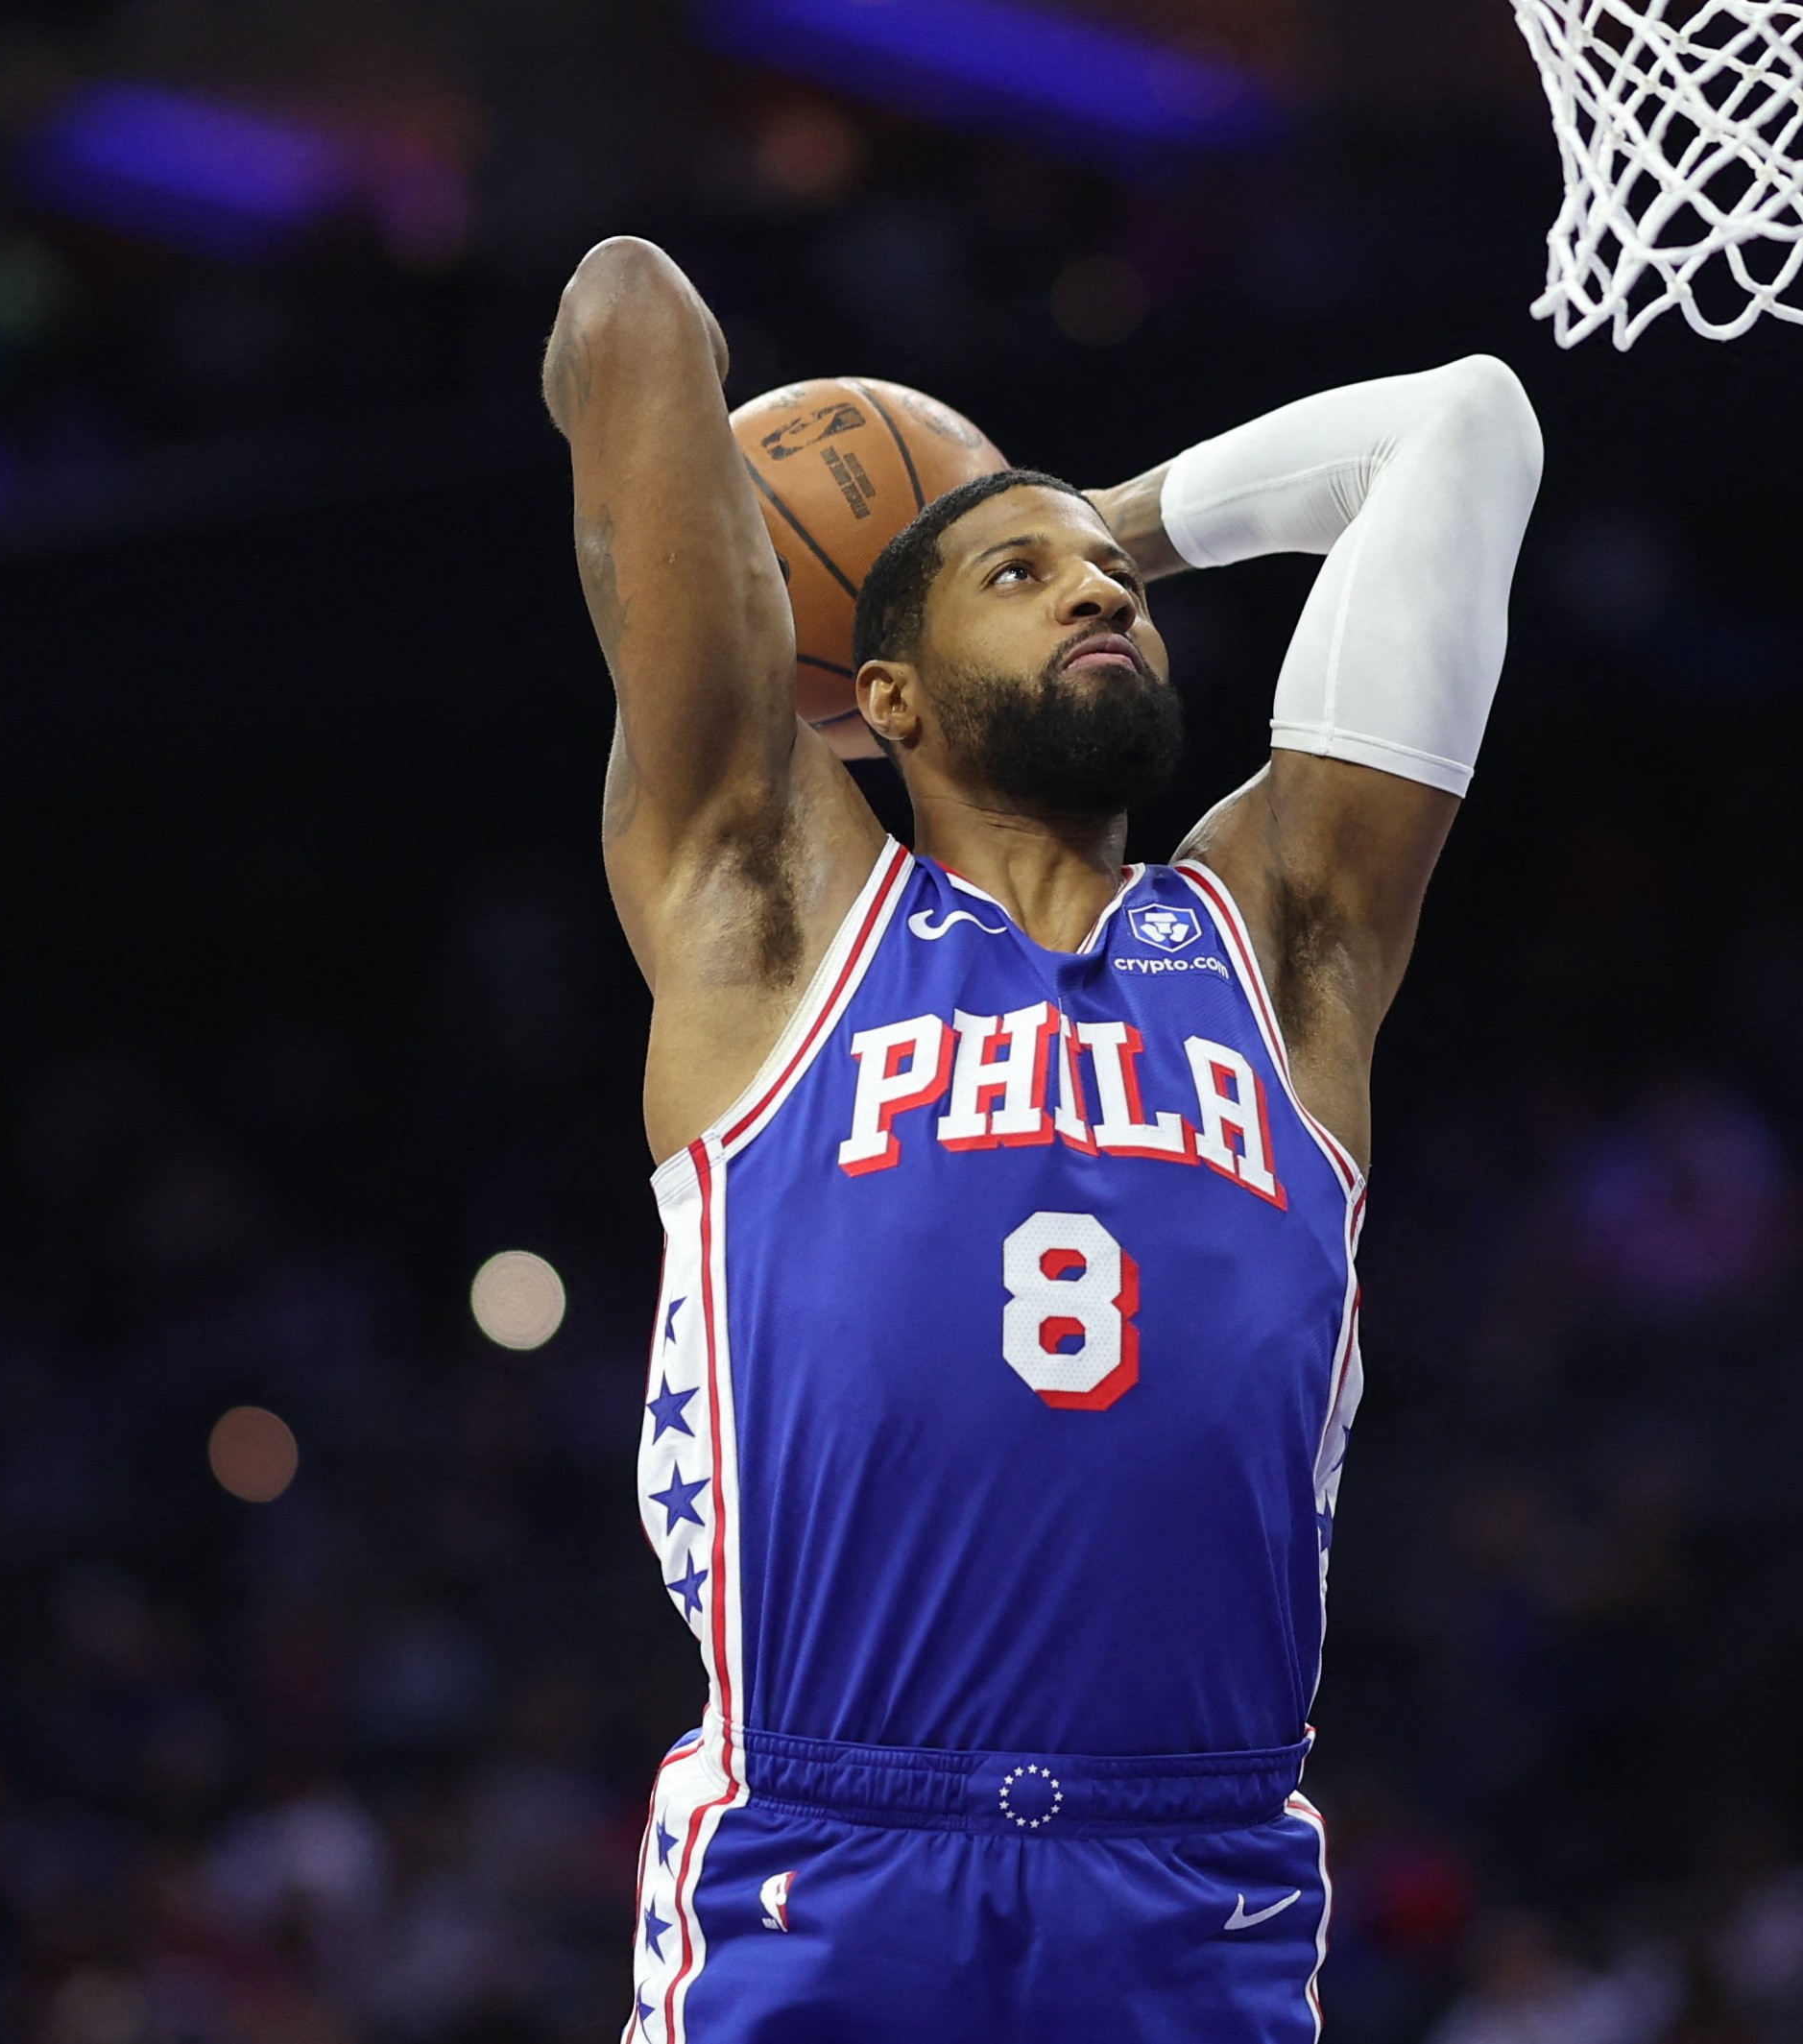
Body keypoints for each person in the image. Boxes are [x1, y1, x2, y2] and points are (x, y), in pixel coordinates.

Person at [542, 234, 1542, 2042]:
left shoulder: (1289, 941)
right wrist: (853, 576)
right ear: (884, 695)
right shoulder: (771, 910)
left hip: (1196, 1867)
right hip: (824, 1849)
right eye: (1028, 579)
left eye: (1119, 588)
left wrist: (1096, 513)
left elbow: (1465, 429)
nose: (1102, 597)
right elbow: (630, 311)